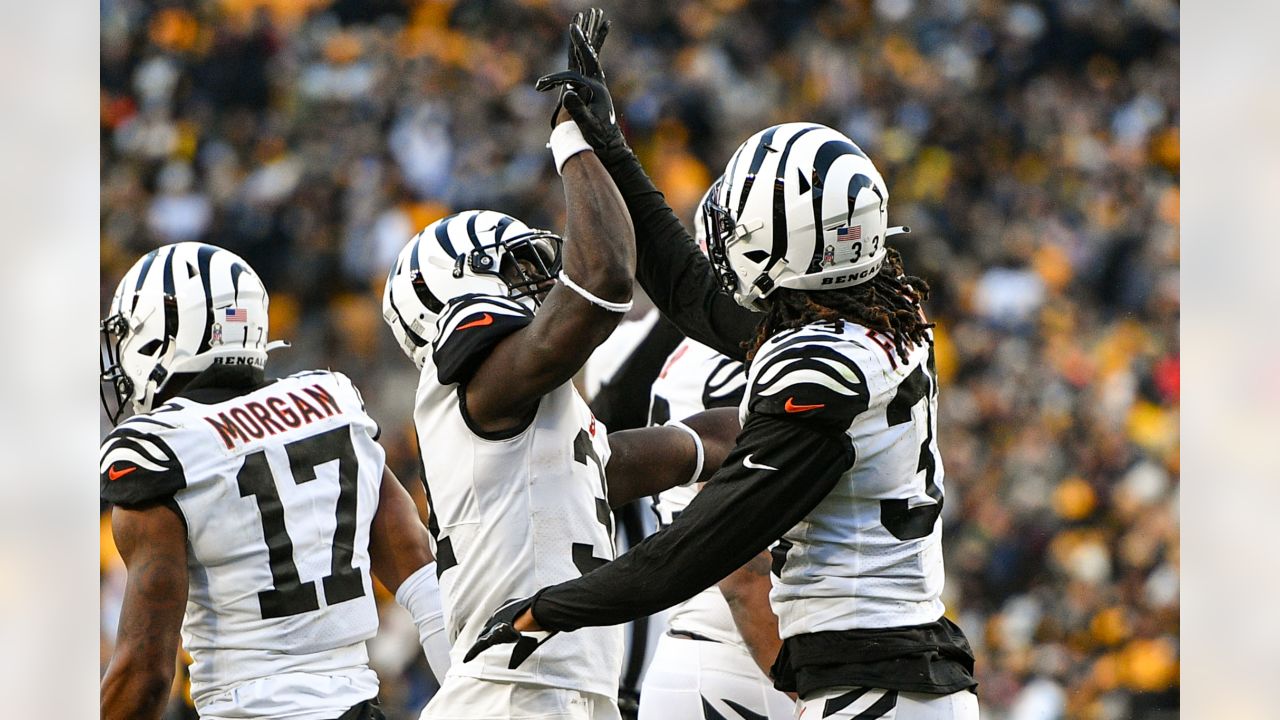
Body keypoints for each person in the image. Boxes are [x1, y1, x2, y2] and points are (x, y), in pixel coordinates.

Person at [467, 14, 980, 720]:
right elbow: (691, 294)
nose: (727, 239)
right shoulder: (876, 321)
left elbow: (705, 545)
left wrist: (555, 607)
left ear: (791, 246)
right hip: (896, 678)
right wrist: (600, 139)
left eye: (743, 227)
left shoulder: (818, 372)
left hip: (874, 687)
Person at [381, 12, 741, 719]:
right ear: (457, 291)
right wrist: (576, 136)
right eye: (521, 268)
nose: (544, 282)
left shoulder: (544, 433)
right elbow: (602, 282)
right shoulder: (482, 389)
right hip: (511, 700)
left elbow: (702, 444)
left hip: (555, 697)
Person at [99, 242, 451, 720]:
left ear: (164, 336)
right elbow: (423, 580)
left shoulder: (159, 448)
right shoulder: (331, 403)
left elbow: (147, 672)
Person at [638, 182, 793, 720]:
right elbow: (741, 564)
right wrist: (804, 693)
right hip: (744, 652)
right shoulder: (737, 365)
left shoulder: (692, 355)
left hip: (713, 645)